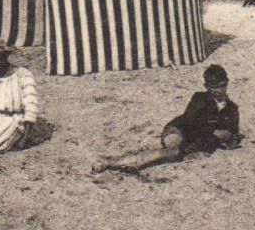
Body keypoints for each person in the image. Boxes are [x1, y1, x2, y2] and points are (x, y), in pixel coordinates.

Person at [93, 64, 242, 176]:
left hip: (195, 138)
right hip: (178, 129)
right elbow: (190, 123)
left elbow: (233, 134)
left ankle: (133, 162)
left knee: (174, 154)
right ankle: (114, 162)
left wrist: (227, 140)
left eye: (222, 86)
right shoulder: (199, 99)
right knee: (172, 152)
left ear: (227, 83)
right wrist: (214, 133)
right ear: (206, 86)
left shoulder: (232, 108)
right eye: (214, 87)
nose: (219, 91)